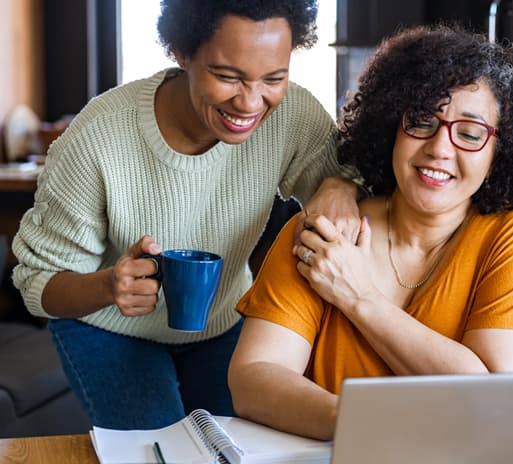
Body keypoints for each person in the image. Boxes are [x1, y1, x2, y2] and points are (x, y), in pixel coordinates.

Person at [11, 0, 363, 430]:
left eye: (274, 78)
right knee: (158, 451)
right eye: (227, 76)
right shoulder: (97, 139)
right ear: (182, 52)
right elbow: (37, 283)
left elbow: (351, 173)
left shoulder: (293, 117)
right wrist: (109, 286)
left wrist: (338, 186)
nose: (251, 102)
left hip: (222, 323)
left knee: (241, 447)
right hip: (107, 328)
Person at [228, 24, 513, 440]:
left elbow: (494, 399)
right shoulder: (326, 230)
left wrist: (358, 297)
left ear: (501, 150)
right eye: (422, 121)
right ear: (392, 125)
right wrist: (362, 425)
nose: (439, 149)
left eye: (469, 133)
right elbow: (253, 380)